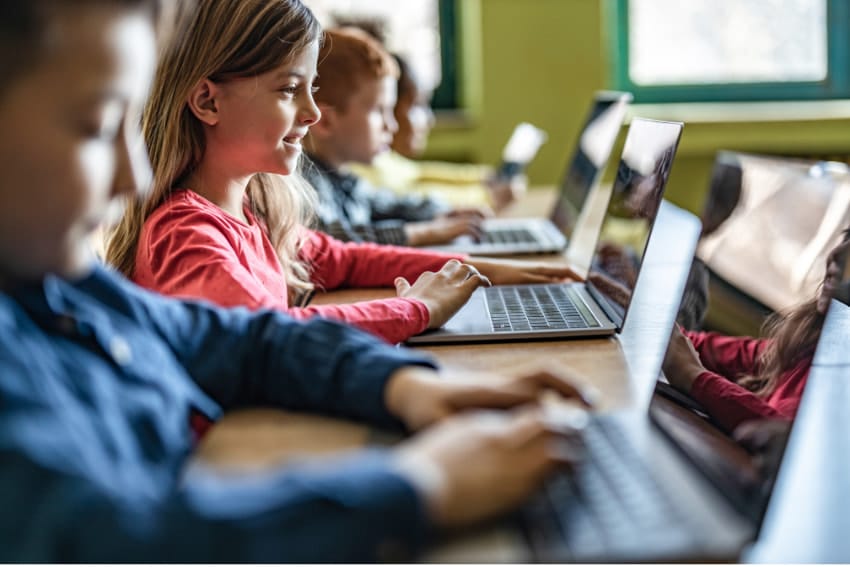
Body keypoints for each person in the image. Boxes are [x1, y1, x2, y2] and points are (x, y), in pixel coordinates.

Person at [0, 0, 594, 561]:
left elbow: (249, 340)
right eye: (100, 127)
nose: (136, 174)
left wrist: (406, 387)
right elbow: (121, 543)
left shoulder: (64, 289)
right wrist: (418, 483)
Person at [104, 5, 579, 345]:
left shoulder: (253, 212)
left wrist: (484, 273)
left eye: (310, 88)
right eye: (290, 89)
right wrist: (418, 308)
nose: (312, 113)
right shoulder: (185, 234)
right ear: (208, 101)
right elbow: (270, 339)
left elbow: (346, 261)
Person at [304, 26, 493, 247]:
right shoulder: (304, 185)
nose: (391, 126)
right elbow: (331, 241)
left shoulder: (343, 179)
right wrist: (422, 233)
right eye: (378, 111)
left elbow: (386, 205)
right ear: (325, 121)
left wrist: (441, 213)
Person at [661, 233, 850, 433]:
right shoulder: (809, 343)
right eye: (846, 238)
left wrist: (694, 377)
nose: (837, 253)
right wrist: (655, 322)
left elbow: (789, 437)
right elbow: (713, 349)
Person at [351, 51, 526, 212]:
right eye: (417, 105)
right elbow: (408, 199)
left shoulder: (384, 159)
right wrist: (486, 196)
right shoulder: (357, 167)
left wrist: (486, 178)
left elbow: (418, 174)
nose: (429, 119)